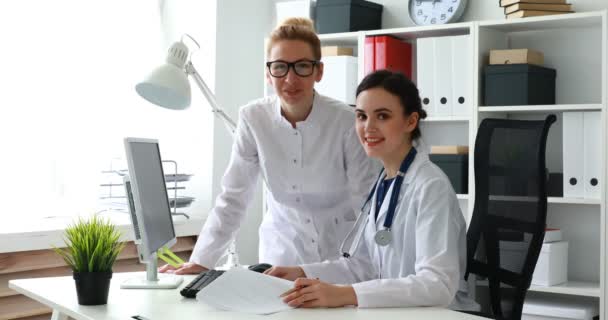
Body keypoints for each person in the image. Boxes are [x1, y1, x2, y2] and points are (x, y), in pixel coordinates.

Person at [159, 18, 379, 274]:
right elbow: (233, 197)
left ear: (319, 71)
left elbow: (367, 203)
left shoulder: (346, 121)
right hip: (281, 257)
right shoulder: (254, 119)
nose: (290, 78)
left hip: (339, 259)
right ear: (268, 73)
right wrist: (202, 261)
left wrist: (372, 267)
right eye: (280, 67)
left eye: (302, 67)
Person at [265, 70, 478, 310]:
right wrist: (301, 271)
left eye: (382, 116)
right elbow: (365, 267)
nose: (368, 127)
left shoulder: (431, 187)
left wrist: (345, 294)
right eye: (361, 116)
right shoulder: (385, 182)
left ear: (411, 121)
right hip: (396, 312)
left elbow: (437, 285)